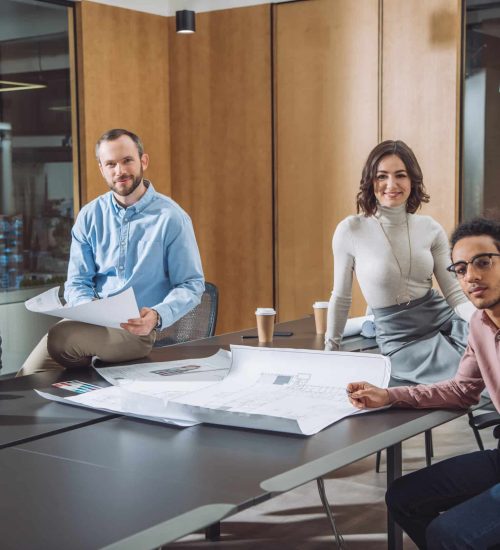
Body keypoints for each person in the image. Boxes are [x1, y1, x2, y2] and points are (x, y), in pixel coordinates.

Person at [347, 217, 500, 549]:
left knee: (448, 535)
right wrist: (389, 395)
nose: (471, 276)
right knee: (403, 498)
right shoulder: (480, 325)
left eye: (483, 262)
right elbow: (461, 390)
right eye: (460, 269)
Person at [17, 128, 204, 376]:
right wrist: (87, 308)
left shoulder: (171, 218)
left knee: (61, 336)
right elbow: (77, 282)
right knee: (28, 378)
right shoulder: (89, 216)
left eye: (127, 160)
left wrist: (156, 315)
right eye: (111, 164)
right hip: (92, 324)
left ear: (143, 161)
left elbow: (192, 284)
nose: (120, 171)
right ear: (102, 169)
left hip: (137, 330)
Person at [325, 140, 475, 384]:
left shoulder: (430, 228)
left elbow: (456, 296)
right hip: (402, 341)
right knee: (470, 379)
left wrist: (486, 321)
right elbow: (341, 298)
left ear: (412, 180)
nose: (391, 185)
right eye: (382, 176)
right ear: (369, 181)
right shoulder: (351, 230)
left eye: (400, 175)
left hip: (447, 323)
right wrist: (330, 352)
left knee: (493, 358)